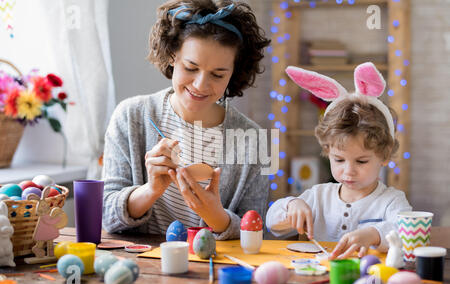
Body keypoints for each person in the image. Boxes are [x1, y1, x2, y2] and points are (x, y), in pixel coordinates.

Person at [102, 0, 271, 240]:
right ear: (172, 56)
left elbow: (255, 231)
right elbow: (107, 216)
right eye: (191, 67)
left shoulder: (253, 140)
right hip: (141, 266)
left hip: (213, 270)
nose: (201, 85)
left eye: (218, 74)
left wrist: (216, 216)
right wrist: (150, 190)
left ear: (234, 72)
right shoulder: (131, 117)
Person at [266, 62, 412, 259]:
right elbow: (272, 223)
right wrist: (292, 205)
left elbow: (408, 234)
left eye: (361, 162)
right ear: (327, 151)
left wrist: (375, 234)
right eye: (339, 160)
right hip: (319, 279)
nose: (349, 171)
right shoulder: (319, 196)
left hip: (372, 281)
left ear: (385, 155)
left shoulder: (391, 201)